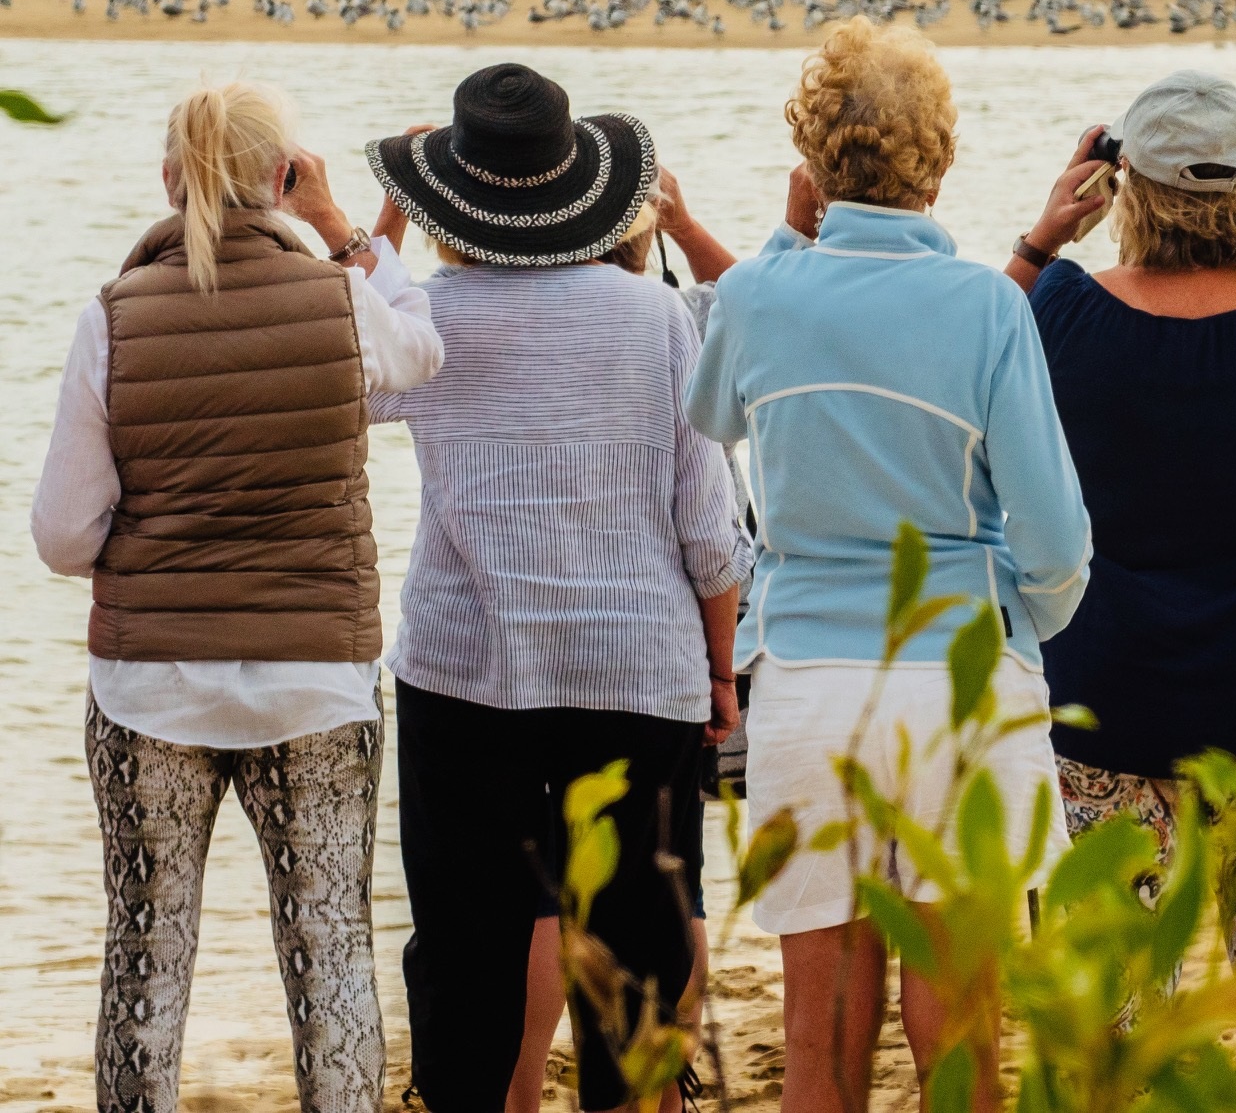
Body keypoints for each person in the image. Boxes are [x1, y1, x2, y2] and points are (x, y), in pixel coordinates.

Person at [686, 18, 1091, 1113]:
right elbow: (1057, 542)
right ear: (940, 159)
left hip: (813, 681)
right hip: (962, 670)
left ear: (814, 162)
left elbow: (708, 409)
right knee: (958, 1016)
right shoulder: (989, 305)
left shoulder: (765, 293)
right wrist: (1023, 616)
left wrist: (780, 243)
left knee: (820, 1034)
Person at [30, 82, 443, 1113]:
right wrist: (343, 227)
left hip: (149, 689)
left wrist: (162, 532)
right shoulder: (340, 301)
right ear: (282, 177)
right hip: (317, 682)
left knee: (147, 952)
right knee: (332, 947)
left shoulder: (111, 318)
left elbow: (61, 536)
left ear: (169, 180)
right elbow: (421, 353)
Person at [363, 64, 750, 1113]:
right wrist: (720, 673)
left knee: (465, 951)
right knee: (635, 963)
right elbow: (708, 536)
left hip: (466, 674)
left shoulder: (424, 321)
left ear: (454, 201)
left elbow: (346, 372)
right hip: (639, 672)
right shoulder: (656, 319)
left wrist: (378, 230)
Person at [1003, 69, 1236, 1105]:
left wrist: (1043, 236)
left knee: (1113, 1006)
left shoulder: (1062, 313)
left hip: (1113, 692)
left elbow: (974, 371)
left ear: (1124, 186)